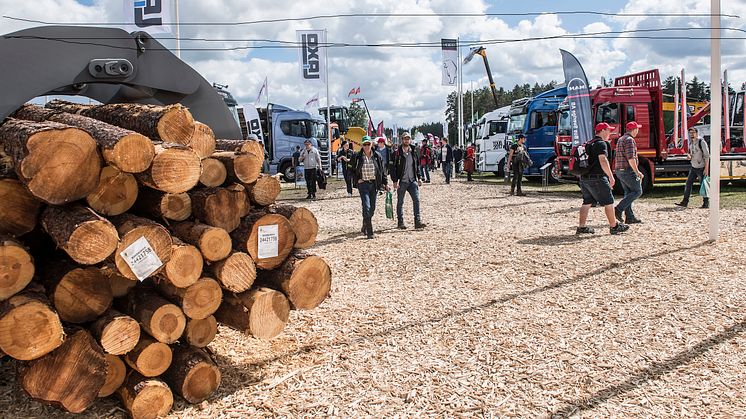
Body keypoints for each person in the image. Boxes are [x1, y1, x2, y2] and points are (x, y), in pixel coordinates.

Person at [576, 122, 630, 235]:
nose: (610, 133)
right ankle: (614, 226)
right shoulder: (601, 144)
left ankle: (582, 227)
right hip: (598, 177)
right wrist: (611, 176)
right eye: (609, 130)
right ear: (603, 131)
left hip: (585, 177)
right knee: (609, 201)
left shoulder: (589, 143)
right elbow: (603, 160)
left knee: (587, 202)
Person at [352, 136, 388, 239]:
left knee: (372, 209)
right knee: (366, 206)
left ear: (371, 144)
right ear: (362, 145)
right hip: (363, 185)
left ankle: (365, 224)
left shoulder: (377, 156)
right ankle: (370, 231)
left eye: (368, 144)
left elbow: (382, 171)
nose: (367, 146)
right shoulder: (357, 156)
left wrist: (385, 183)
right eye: (365, 144)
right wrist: (356, 180)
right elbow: (351, 170)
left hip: (374, 185)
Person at [391, 132, 426, 230]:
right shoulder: (397, 153)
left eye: (408, 138)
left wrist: (419, 178)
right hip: (402, 181)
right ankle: (400, 222)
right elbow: (392, 168)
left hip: (412, 181)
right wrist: (395, 181)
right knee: (400, 202)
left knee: (416, 200)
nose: (407, 140)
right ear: (402, 140)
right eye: (405, 139)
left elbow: (417, 165)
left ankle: (417, 221)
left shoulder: (414, 151)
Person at [614, 121, 644, 223]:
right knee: (637, 191)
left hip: (619, 170)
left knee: (628, 192)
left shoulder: (621, 139)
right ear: (634, 129)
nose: (638, 131)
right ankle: (618, 209)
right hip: (627, 170)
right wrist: (637, 171)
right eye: (637, 129)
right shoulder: (630, 140)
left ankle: (630, 217)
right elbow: (631, 158)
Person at [676, 127, 710, 208]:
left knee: (703, 185)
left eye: (693, 132)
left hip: (701, 167)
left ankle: (706, 203)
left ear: (697, 133)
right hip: (693, 167)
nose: (692, 134)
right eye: (690, 133)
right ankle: (685, 201)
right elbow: (691, 153)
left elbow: (707, 156)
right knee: (688, 184)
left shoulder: (702, 142)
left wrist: (706, 168)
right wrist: (689, 156)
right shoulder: (690, 143)